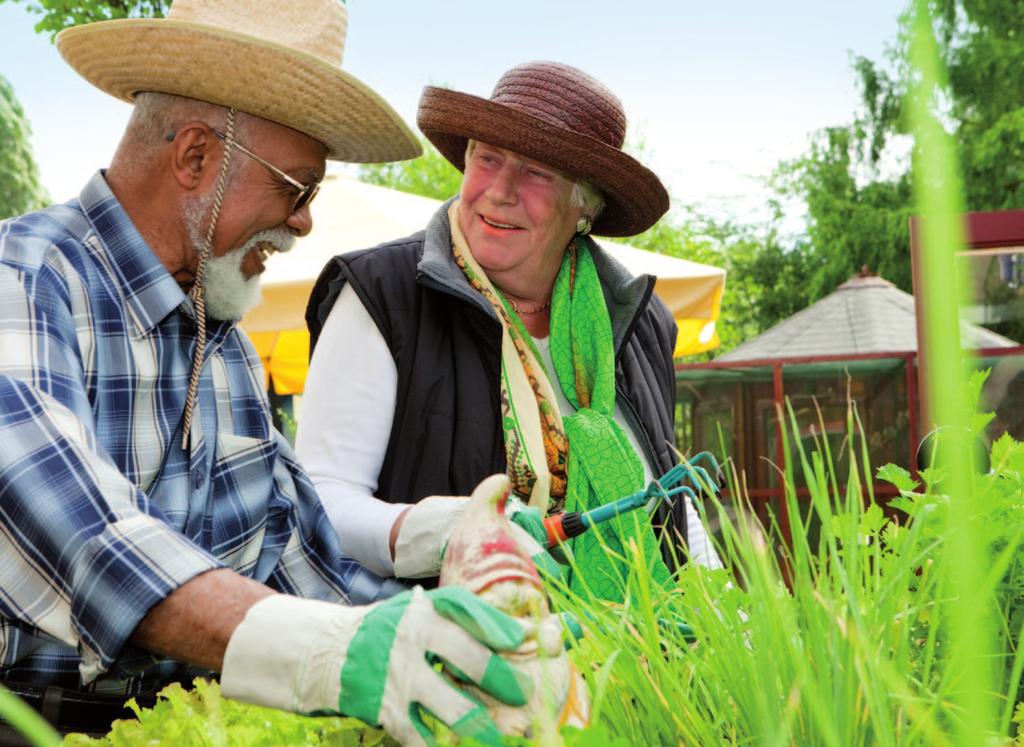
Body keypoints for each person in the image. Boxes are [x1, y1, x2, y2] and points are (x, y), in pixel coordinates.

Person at [0, 2, 535, 745]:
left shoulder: (228, 350)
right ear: (195, 159)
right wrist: (330, 651)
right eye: (298, 187)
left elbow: (306, 569)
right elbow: (89, 540)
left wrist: (438, 620)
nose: (305, 222)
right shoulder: (23, 282)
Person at [300, 61, 722, 602]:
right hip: (450, 658)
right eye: (487, 158)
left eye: (536, 173)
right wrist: (450, 534)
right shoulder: (383, 292)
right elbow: (322, 500)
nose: (499, 191)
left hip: (639, 659)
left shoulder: (642, 322)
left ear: (585, 206)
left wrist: (733, 620)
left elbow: (666, 496)